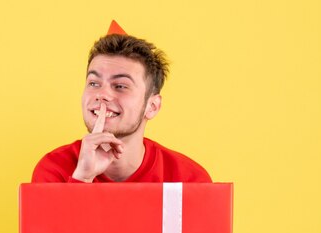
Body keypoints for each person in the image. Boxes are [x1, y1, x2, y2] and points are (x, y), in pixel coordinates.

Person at [32, 21, 211, 183]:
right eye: (94, 83)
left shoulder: (189, 180)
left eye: (120, 86)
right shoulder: (53, 170)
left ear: (152, 106)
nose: (102, 94)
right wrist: (83, 178)